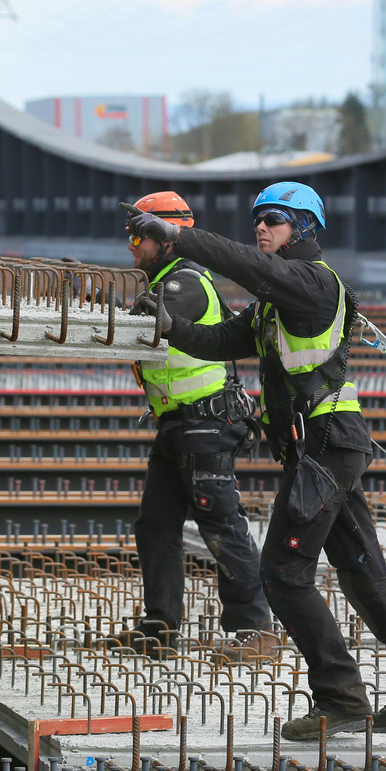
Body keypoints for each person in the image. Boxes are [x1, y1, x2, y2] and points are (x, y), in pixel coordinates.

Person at [123, 181, 386, 740]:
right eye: (258, 222)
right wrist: (170, 327)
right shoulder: (277, 303)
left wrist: (180, 237)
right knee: (363, 570)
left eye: (273, 220)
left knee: (283, 573)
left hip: (325, 446)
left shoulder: (312, 284)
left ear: (305, 228)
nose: (261, 229)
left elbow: (251, 268)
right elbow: (220, 340)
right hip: (322, 448)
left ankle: (341, 697)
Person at [109, 190, 277, 665]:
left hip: (206, 423)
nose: (132, 248)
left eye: (139, 237)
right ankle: (159, 628)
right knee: (156, 525)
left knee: (221, 524)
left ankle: (255, 629)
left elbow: (143, 319)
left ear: (166, 238)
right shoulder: (166, 279)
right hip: (177, 426)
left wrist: (94, 305)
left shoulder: (187, 282)